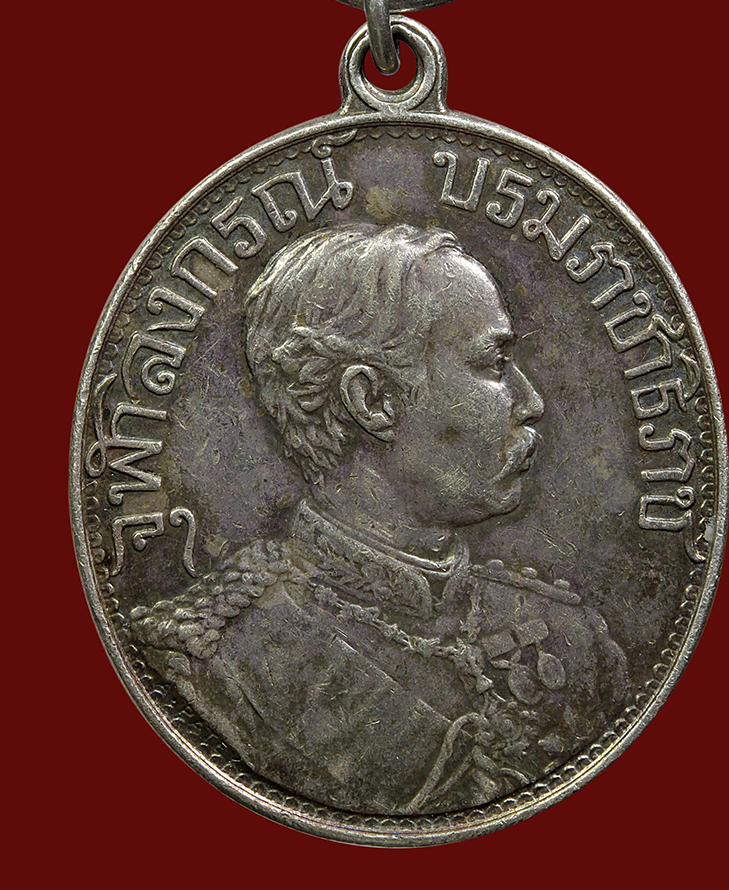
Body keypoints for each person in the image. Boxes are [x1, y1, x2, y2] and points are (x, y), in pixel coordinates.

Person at [131, 223, 628, 813]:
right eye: (493, 363)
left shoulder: (573, 638)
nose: (530, 401)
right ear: (373, 402)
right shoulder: (215, 659)